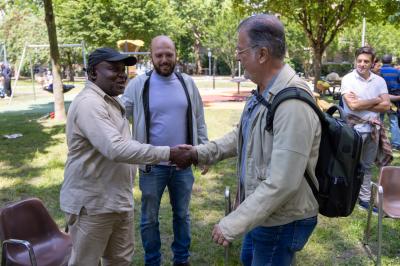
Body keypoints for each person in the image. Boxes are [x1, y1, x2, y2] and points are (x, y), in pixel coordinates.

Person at [181, 14, 321, 265]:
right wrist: (200, 153)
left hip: (281, 220)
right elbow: (242, 135)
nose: (237, 57)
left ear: (263, 54)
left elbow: (283, 182)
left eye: (240, 50)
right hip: (262, 213)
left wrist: (232, 223)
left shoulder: (292, 104)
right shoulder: (265, 93)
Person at [60, 47, 192, 266]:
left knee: (120, 261)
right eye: (113, 69)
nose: (122, 74)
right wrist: (169, 153)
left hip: (118, 200)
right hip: (93, 205)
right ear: (93, 73)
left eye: (124, 69)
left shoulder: (112, 101)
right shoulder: (89, 104)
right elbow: (116, 148)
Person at [121, 36, 208, 266]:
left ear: (175, 54)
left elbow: (199, 119)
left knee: (182, 215)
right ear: (151, 56)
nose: (164, 59)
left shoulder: (187, 82)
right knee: (149, 219)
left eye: (168, 54)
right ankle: (153, 261)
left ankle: (182, 259)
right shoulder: (138, 85)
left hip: (183, 165)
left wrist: (204, 152)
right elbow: (119, 115)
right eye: (159, 55)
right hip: (151, 166)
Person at [341, 47, 391, 213]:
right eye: (359, 60)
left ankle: (363, 199)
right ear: (355, 60)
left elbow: (387, 105)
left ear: (372, 63)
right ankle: (345, 197)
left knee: (367, 166)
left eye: (366, 61)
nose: (362, 64)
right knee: (349, 164)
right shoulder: (348, 79)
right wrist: (377, 100)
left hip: (373, 129)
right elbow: (352, 105)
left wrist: (364, 102)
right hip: (353, 129)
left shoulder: (379, 81)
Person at [380, 54, 400, 150]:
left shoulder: (378, 71)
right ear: (391, 60)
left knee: (378, 120)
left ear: (382, 61)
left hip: (380, 99)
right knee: (394, 121)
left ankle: (378, 141)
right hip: (394, 99)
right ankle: (396, 144)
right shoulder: (397, 71)